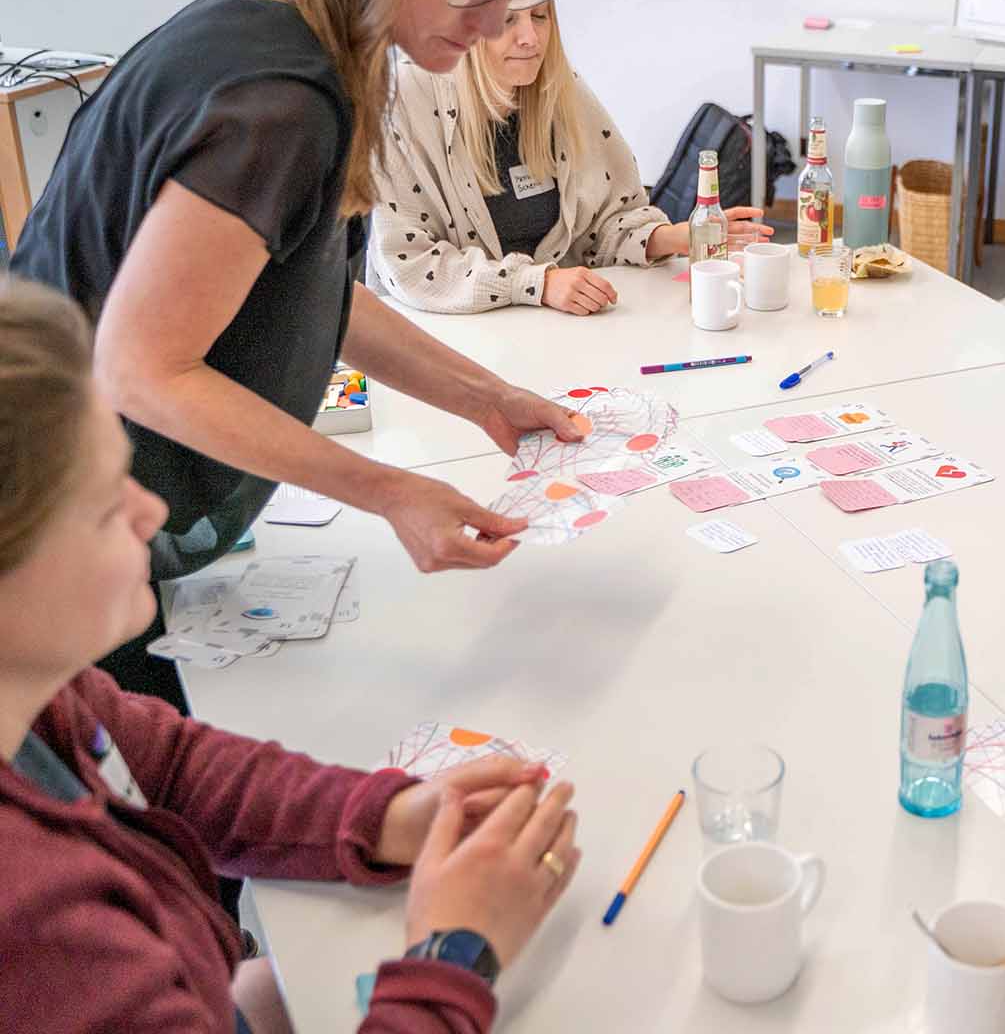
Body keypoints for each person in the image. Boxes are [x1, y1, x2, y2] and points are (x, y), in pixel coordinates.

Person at [10, 0, 591, 707]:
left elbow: (307, 283)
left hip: (95, 503)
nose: (492, 20)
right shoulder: (277, 99)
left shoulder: (310, 12)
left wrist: (485, 397)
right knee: (129, 796)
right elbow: (141, 366)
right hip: (47, 522)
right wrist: (391, 491)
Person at [0, 278, 580, 1033]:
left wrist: (389, 814)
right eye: (110, 503)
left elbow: (169, 766)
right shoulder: (37, 927)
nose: (152, 513)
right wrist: (454, 951)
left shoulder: (41, 699)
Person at [370, 0, 770, 315]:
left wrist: (673, 237)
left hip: (555, 336)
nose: (530, 38)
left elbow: (605, 222)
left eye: (540, 16)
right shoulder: (407, 99)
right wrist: (537, 284)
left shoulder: (560, 91)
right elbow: (410, 264)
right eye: (508, 20)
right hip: (450, 344)